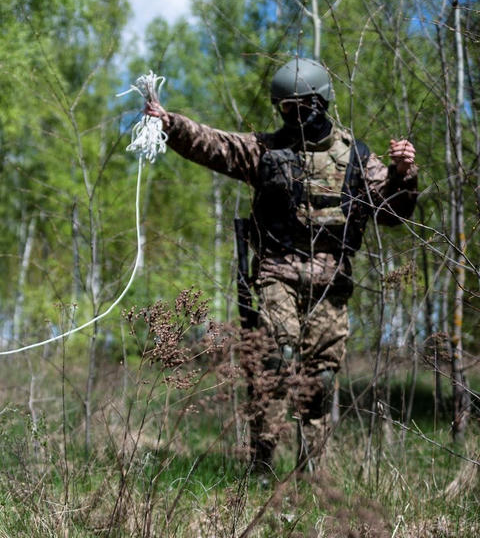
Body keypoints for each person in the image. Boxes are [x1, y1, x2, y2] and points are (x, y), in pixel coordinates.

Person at [144, 57, 419, 473]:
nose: (294, 115)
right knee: (274, 359)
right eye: (285, 108)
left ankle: (311, 472)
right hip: (276, 273)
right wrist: (169, 123)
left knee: (320, 380)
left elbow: (393, 213)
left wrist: (403, 173)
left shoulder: (358, 158)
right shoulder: (266, 152)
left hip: (332, 282)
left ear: (321, 102)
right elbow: (213, 144)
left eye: (302, 106)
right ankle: (262, 462)